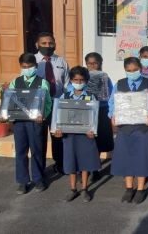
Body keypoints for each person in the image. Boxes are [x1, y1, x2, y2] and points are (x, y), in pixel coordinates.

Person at [108, 57, 148, 204]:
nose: (132, 73)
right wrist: (112, 115)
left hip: (143, 128)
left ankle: (140, 189)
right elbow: (112, 103)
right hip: (124, 127)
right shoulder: (119, 84)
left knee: (142, 158)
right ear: (125, 70)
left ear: (140, 69)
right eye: (129, 71)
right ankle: (128, 188)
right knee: (126, 157)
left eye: (135, 70)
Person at [5, 53, 52, 194]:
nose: (27, 69)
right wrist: (6, 114)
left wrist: (42, 115)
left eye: (30, 66)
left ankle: (38, 179)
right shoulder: (15, 82)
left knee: (37, 150)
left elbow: (48, 102)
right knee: (21, 152)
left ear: (35, 67)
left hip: (35, 122)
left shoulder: (42, 82)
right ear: (21, 67)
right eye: (24, 67)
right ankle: (23, 181)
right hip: (19, 123)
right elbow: (9, 101)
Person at [53, 66, 101, 202]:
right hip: (69, 136)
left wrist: (94, 130)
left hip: (86, 135)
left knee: (85, 162)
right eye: (75, 80)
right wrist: (57, 129)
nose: (78, 82)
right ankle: (73, 189)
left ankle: (85, 189)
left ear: (86, 80)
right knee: (71, 161)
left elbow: (95, 116)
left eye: (81, 80)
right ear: (71, 80)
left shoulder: (91, 96)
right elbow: (58, 115)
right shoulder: (65, 96)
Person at [34, 32, 69, 174]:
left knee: (58, 136)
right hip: (40, 106)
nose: (47, 46)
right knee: (39, 138)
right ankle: (40, 169)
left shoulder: (61, 61)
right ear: (37, 44)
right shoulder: (33, 61)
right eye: (44, 43)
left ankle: (59, 164)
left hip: (58, 103)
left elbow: (67, 83)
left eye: (50, 43)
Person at [83, 52, 114, 181]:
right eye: (90, 63)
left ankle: (95, 168)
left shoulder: (105, 78)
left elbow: (111, 95)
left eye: (95, 63)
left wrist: (111, 112)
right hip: (86, 111)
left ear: (100, 63)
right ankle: (86, 168)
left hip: (102, 111)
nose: (93, 65)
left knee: (99, 140)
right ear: (86, 64)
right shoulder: (82, 77)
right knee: (87, 141)